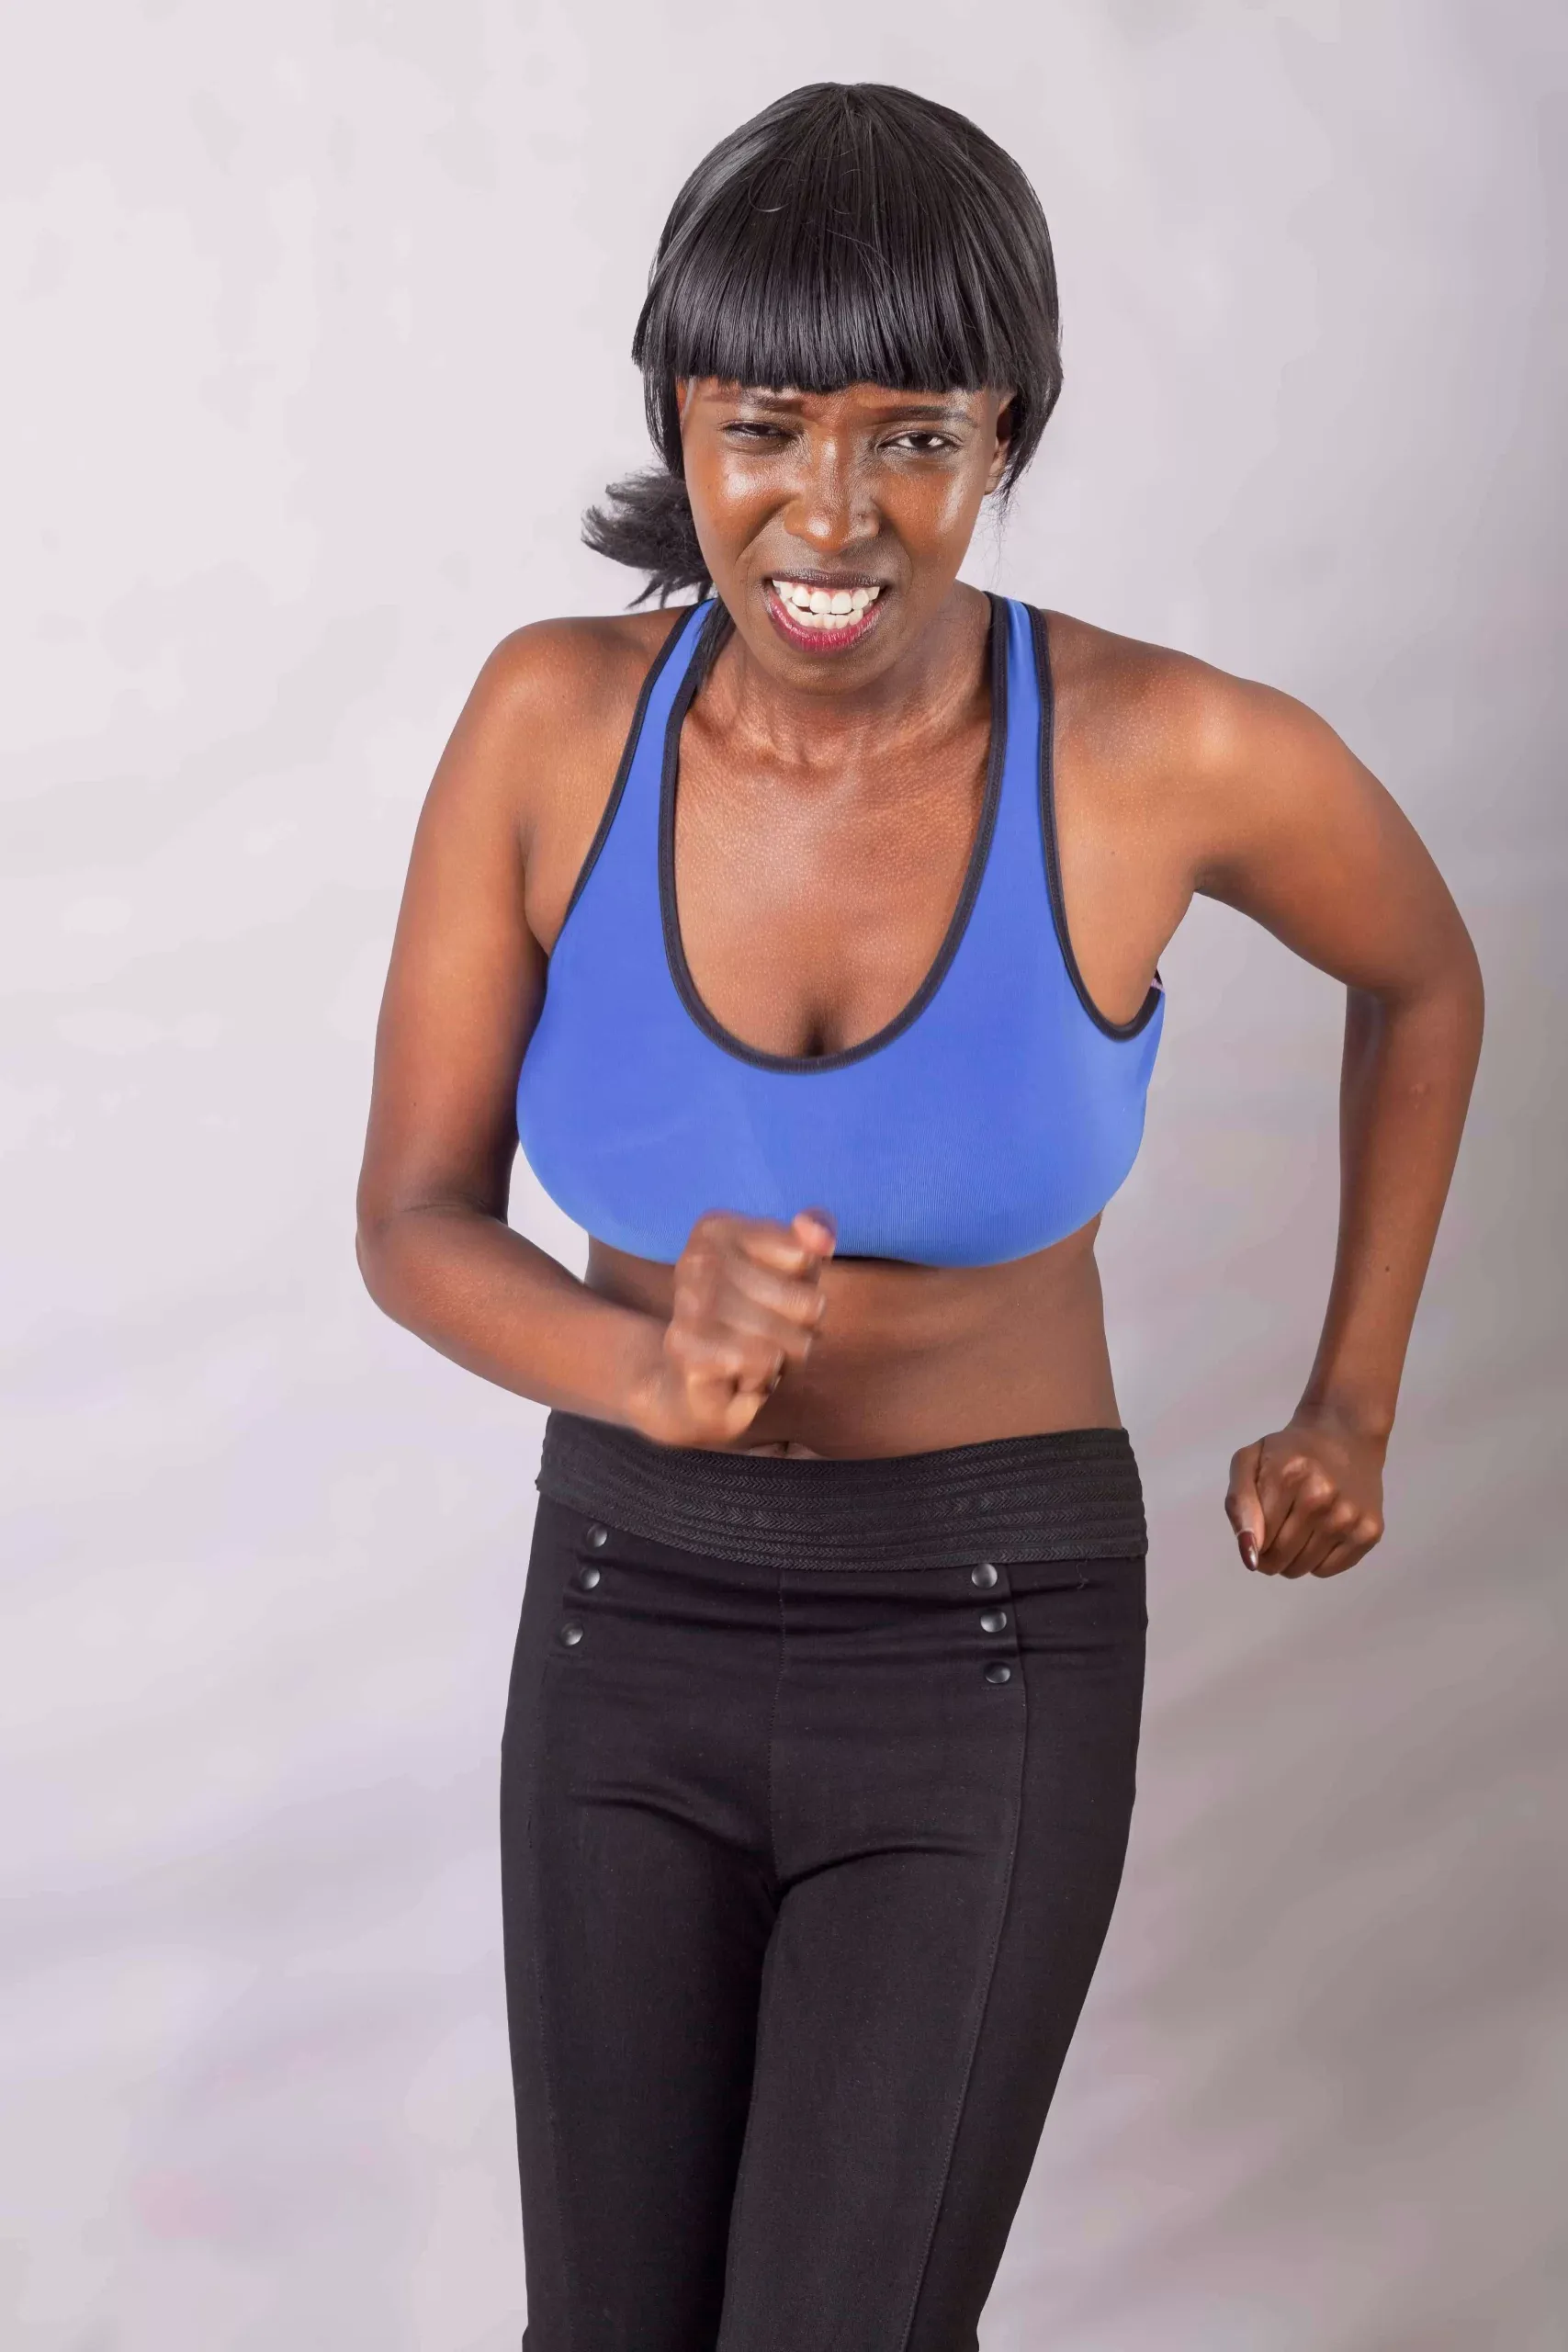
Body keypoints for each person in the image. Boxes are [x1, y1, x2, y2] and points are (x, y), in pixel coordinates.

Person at [355, 80, 1483, 2352]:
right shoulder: (551, 724)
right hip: (624, 1617)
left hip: (982, 1642)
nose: (830, 512)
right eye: (764, 428)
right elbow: (413, 1214)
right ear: (680, 421)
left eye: (915, 439)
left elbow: (1423, 975)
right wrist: (639, 1361)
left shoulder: (1164, 752)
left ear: (1007, 438)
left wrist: (1350, 1401)